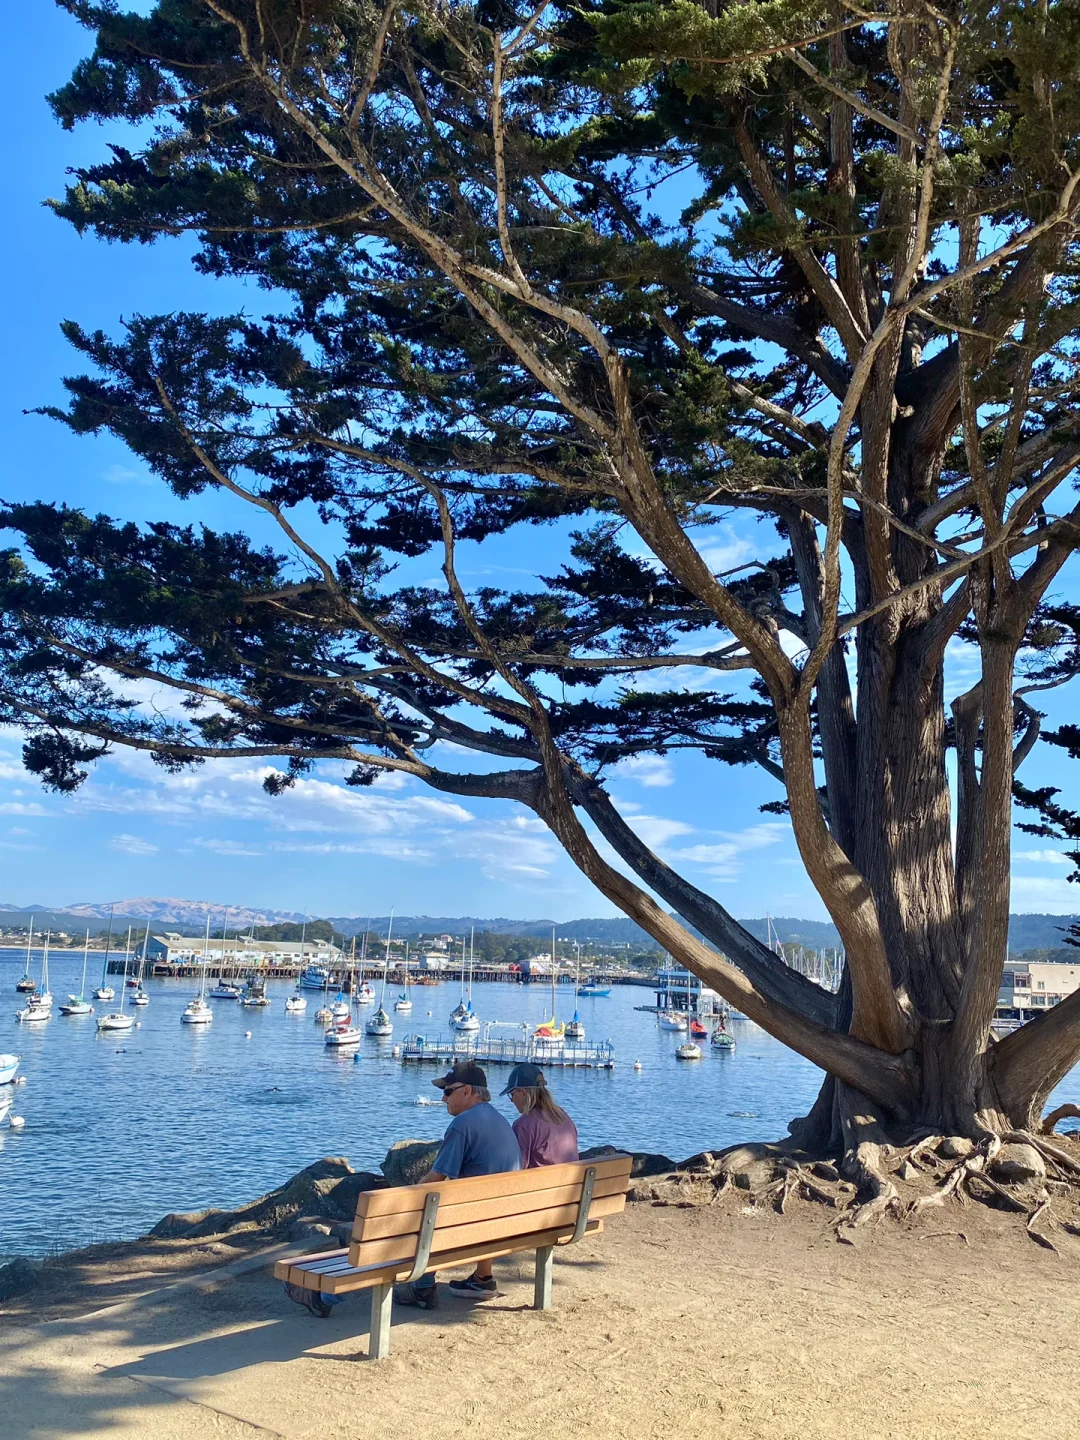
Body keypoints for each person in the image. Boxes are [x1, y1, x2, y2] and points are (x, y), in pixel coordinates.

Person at [394, 1060, 521, 1309]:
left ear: (467, 1091)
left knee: (420, 1210)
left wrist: (403, 1200)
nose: (443, 1099)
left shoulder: (462, 1125)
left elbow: (435, 1179)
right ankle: (483, 1278)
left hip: (478, 1220)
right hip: (510, 1218)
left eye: (447, 1091)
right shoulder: (499, 1119)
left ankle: (421, 1289)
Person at [447, 1062, 578, 1299]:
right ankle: (481, 1277)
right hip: (569, 1210)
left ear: (523, 1093)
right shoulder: (564, 1119)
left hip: (535, 1214)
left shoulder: (525, 1125)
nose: (511, 1101)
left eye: (512, 1095)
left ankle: (483, 1278)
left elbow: (514, 1174)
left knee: (488, 1202)